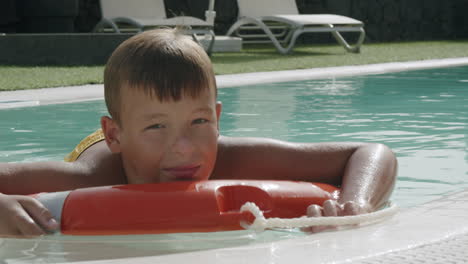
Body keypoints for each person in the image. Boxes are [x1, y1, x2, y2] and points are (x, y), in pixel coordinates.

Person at [0, 29, 397, 237]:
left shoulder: (230, 157)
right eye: (158, 126)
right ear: (115, 133)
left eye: (199, 121)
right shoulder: (90, 178)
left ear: (218, 118)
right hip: (97, 150)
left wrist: (356, 201)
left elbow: (371, 151)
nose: (184, 149)